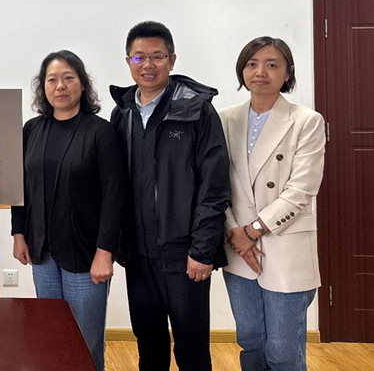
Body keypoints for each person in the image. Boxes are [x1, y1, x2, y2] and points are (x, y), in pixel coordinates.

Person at [109, 21, 230, 370]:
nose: (147, 64)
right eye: (139, 57)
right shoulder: (123, 113)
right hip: (137, 255)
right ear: (128, 62)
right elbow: (115, 183)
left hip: (185, 255)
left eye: (157, 56)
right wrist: (118, 242)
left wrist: (202, 250)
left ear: (172, 60)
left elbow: (214, 186)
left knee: (192, 350)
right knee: (149, 346)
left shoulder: (196, 111)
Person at [11, 50, 128, 370]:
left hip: (86, 252)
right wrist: (18, 233)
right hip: (43, 251)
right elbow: (20, 187)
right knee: (51, 335)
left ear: (82, 84)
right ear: (43, 87)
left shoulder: (100, 132)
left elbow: (115, 195)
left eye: (68, 78)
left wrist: (105, 251)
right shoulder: (32, 130)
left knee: (85, 341)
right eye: (52, 80)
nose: (60, 86)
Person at [220, 37, 325, 371]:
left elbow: (302, 188)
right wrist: (234, 230)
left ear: (288, 72)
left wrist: (252, 230)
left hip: (284, 243)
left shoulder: (306, 120)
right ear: (242, 70)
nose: (260, 72)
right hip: (237, 246)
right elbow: (214, 184)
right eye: (252, 64)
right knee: (250, 340)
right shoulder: (224, 119)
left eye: (272, 64)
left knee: (283, 349)